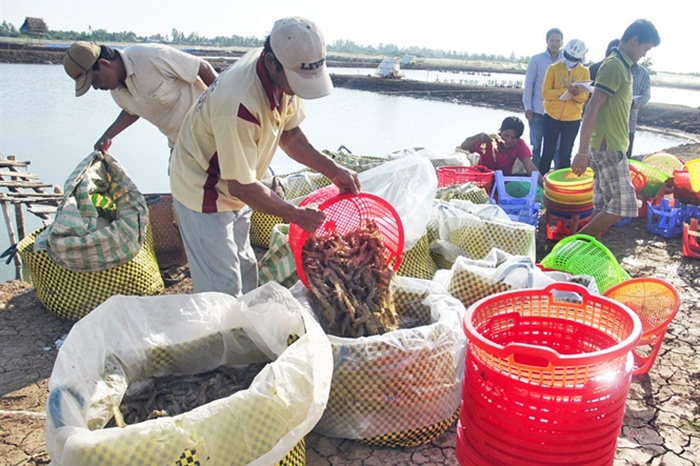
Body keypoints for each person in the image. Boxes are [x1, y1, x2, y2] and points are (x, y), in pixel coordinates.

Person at [169, 16, 361, 296]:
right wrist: (296, 215)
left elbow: (291, 136)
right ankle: (220, 336)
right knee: (221, 287)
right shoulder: (239, 103)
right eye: (298, 81)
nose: (299, 89)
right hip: (202, 186)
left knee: (246, 268)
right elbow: (241, 186)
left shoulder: (284, 74)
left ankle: (244, 328)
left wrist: (334, 170)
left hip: (238, 178)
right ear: (272, 63)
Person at [572, 19, 661, 240]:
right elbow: (592, 108)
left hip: (612, 143)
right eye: (645, 49)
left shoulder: (622, 66)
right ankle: (573, 244)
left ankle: (586, 250)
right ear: (634, 40)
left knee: (604, 204)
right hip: (608, 145)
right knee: (624, 206)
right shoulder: (614, 65)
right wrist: (582, 152)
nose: (644, 54)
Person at [63, 41, 218, 151]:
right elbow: (132, 111)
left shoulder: (150, 57)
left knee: (229, 191)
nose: (96, 87)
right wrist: (108, 136)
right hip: (181, 146)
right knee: (183, 196)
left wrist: (228, 110)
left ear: (104, 64)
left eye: (94, 80)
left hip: (213, 136)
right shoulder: (117, 93)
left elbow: (202, 67)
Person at [539, 39, 591, 174]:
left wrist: (575, 93)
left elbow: (584, 97)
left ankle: (561, 186)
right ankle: (539, 184)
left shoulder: (584, 71)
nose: (570, 60)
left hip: (572, 119)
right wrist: (565, 91)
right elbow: (545, 93)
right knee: (547, 152)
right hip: (552, 116)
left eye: (574, 58)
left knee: (565, 154)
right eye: (568, 56)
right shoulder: (553, 69)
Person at [459, 116, 543, 184]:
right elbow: (464, 146)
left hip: (503, 181)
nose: (508, 140)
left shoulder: (520, 144)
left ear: (518, 138)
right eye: (506, 135)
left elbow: (531, 168)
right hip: (483, 179)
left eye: (513, 138)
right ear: (500, 132)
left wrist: (545, 187)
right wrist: (478, 137)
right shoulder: (489, 140)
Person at [523, 28, 563, 167]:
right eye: (552, 40)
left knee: (557, 147)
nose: (554, 44)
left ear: (562, 43)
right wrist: (528, 107)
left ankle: (557, 180)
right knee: (537, 145)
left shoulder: (565, 61)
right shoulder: (537, 59)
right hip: (538, 110)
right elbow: (529, 84)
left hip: (558, 113)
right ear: (546, 41)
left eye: (557, 41)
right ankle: (536, 179)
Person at [627, 62, 651, 157]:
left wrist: (633, 103)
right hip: (610, 122)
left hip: (630, 121)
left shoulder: (643, 72)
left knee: (626, 156)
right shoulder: (615, 67)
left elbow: (646, 95)